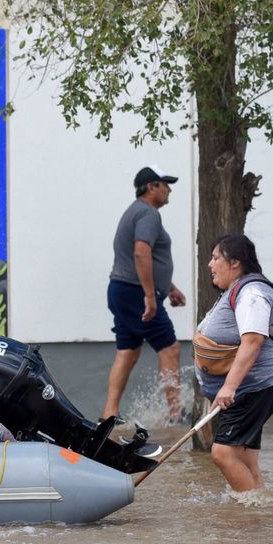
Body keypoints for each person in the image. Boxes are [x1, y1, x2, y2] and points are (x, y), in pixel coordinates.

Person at [194, 234, 273, 492]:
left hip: (253, 387)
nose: (210, 265)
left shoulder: (253, 293)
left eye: (215, 258)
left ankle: (252, 514)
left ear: (235, 262)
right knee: (245, 459)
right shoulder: (236, 290)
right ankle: (259, 514)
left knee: (223, 453)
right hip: (250, 388)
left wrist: (229, 388)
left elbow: (253, 341)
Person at [103, 165, 187, 422]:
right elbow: (141, 253)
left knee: (128, 351)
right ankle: (177, 414)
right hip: (135, 293)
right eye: (165, 184)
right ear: (152, 187)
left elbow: (140, 257)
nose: (169, 189)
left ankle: (109, 415)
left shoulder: (135, 212)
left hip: (123, 290)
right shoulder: (148, 214)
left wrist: (168, 287)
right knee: (170, 348)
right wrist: (150, 297)